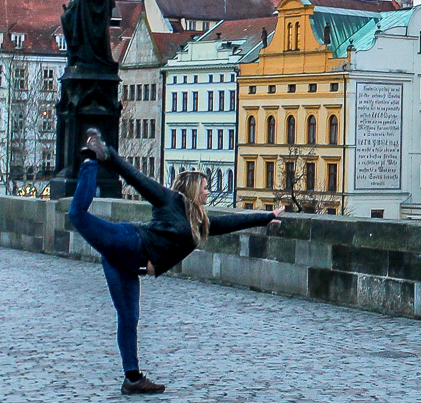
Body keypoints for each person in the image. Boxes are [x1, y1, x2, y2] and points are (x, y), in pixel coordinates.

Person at [69, 128, 283, 395]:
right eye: (205, 188)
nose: (208, 193)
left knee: (128, 318)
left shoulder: (198, 222)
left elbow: (229, 222)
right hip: (127, 241)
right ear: (194, 189)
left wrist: (265, 217)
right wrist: (107, 156)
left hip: (127, 264)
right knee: (77, 215)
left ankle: (132, 379)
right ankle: (90, 160)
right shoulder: (169, 200)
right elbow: (136, 178)